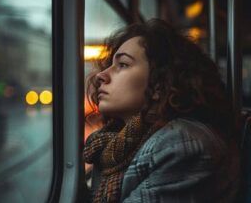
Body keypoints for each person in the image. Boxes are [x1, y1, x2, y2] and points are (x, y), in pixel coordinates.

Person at [83, 19, 241, 202]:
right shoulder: (117, 146)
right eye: (110, 64)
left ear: (159, 84)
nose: (101, 76)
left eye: (123, 65)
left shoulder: (181, 145)